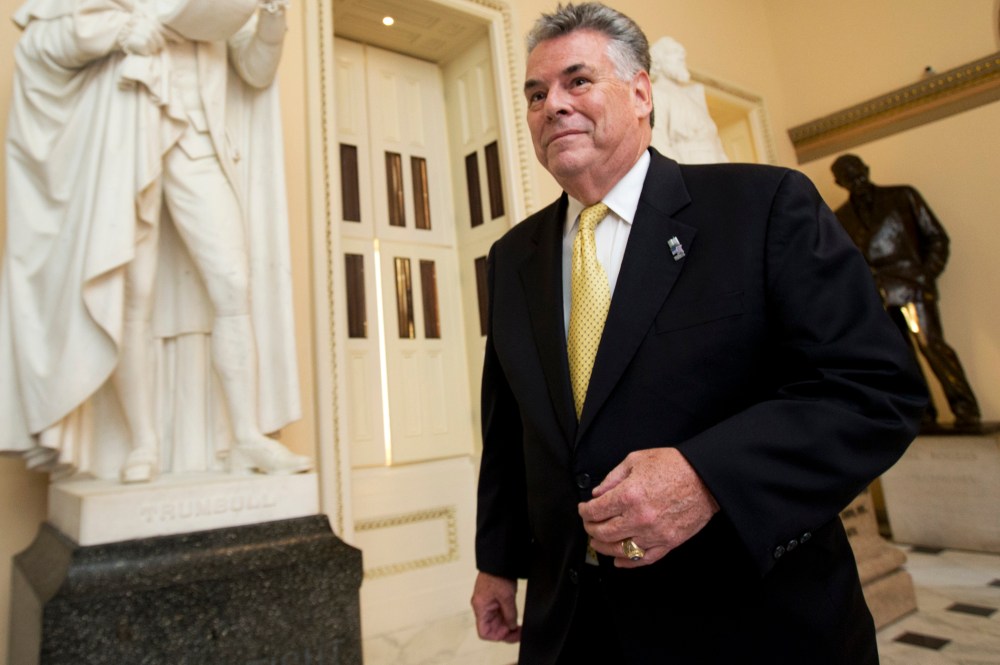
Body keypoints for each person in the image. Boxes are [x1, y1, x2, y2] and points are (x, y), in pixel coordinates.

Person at [471, 4, 926, 663]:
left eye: (577, 81)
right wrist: (498, 558)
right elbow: (510, 428)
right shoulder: (512, 257)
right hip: (573, 629)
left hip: (749, 625)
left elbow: (876, 388)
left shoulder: (764, 208)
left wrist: (708, 476)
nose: (553, 105)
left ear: (641, 93)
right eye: (536, 93)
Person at [0, 0, 310, 482]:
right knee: (129, 292)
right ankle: (143, 442)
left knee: (232, 283)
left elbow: (255, 72)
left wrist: (271, 20)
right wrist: (123, 32)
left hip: (198, 142)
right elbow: (45, 44)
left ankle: (246, 437)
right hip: (125, 144)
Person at [832, 153, 980, 426]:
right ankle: (922, 414)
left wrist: (925, 276)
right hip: (879, 296)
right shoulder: (839, 218)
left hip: (912, 286)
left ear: (867, 167)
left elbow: (936, 237)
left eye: (858, 172)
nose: (856, 180)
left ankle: (966, 410)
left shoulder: (902, 197)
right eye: (848, 176)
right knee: (900, 358)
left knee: (932, 345)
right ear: (839, 182)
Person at [648, 35, 729, 164]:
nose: (682, 56)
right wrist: (679, 177)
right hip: (689, 169)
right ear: (659, 61)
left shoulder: (693, 96)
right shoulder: (656, 93)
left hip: (715, 169)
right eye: (673, 52)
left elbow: (715, 142)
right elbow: (658, 141)